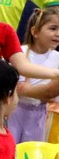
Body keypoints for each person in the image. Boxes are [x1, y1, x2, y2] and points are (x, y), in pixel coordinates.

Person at [8, 8, 59, 143]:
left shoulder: (57, 58)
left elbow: (51, 95)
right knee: (11, 151)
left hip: (39, 114)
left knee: (32, 154)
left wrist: (28, 90)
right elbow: (14, 87)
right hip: (15, 111)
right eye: (53, 28)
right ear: (35, 32)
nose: (57, 34)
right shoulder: (20, 53)